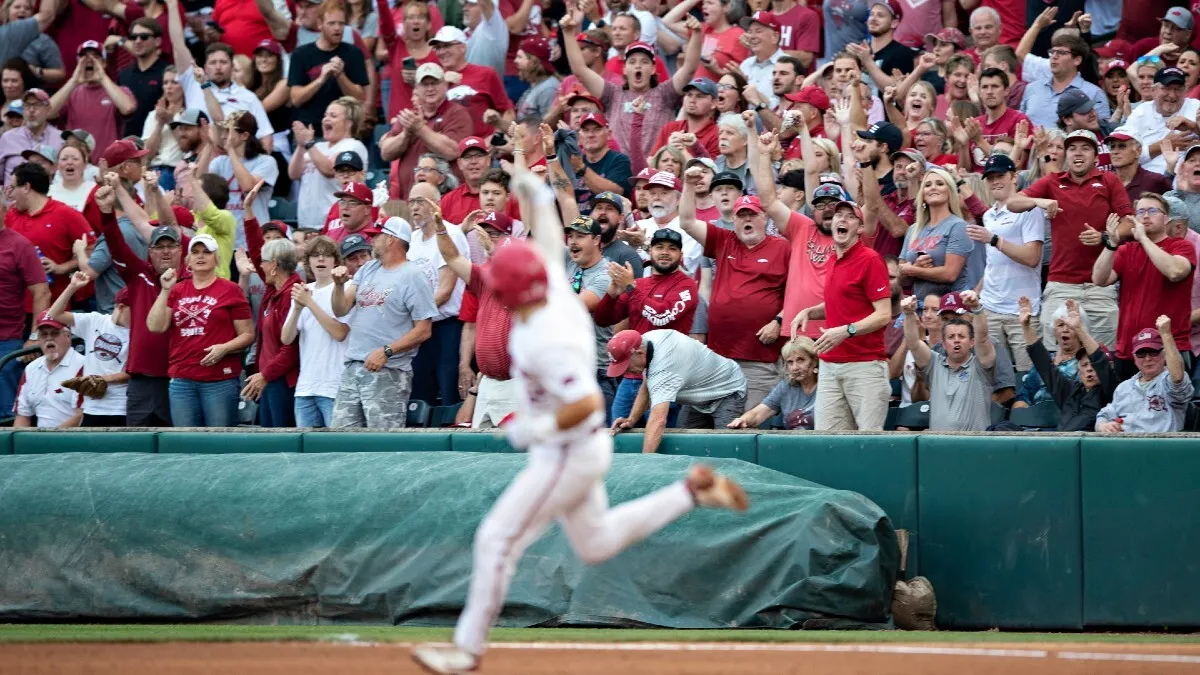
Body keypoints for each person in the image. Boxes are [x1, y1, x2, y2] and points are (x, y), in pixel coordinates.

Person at [410, 181, 747, 673]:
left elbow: (588, 402)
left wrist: (535, 429)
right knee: (597, 543)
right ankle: (689, 493)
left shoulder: (548, 332)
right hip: (577, 449)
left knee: (496, 538)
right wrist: (534, 191)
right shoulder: (548, 298)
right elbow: (548, 243)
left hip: (565, 449)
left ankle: (466, 650)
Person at [1009, 129, 1134, 350]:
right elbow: (1013, 203)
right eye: (1073, 148)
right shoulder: (1053, 181)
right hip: (1061, 285)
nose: (1078, 153)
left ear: (1096, 157)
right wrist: (1040, 201)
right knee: (1056, 356)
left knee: (1106, 358)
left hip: (1100, 286)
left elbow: (1130, 223)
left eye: (1085, 148)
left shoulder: (1109, 181)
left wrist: (1104, 236)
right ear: (1066, 155)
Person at [560, 9, 704, 168]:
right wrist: (568, 33)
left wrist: (696, 33)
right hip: (619, 171)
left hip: (654, 171)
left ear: (653, 68)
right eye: (632, 61)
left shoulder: (665, 93)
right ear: (624, 69)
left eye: (644, 62)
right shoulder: (613, 94)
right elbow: (580, 71)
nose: (638, 65)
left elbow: (689, 68)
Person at [794, 201, 892, 431]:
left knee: (868, 444)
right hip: (830, 365)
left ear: (860, 228)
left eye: (850, 217)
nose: (841, 220)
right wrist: (810, 311)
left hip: (865, 365)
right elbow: (839, 304)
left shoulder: (870, 259)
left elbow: (884, 314)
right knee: (827, 443)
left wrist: (847, 331)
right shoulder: (832, 259)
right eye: (839, 216)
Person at [330, 217, 436, 428]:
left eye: (376, 236)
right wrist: (339, 286)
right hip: (353, 366)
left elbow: (424, 330)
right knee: (340, 441)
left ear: (391, 239)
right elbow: (340, 309)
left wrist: (386, 351)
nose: (372, 241)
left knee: (382, 444)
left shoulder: (413, 275)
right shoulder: (368, 269)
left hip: (388, 370)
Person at [146, 233, 254, 427]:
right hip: (182, 379)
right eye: (195, 252)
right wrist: (165, 290)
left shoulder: (230, 290)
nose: (200, 256)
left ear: (217, 259)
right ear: (187, 260)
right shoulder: (177, 289)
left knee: (220, 443)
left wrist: (224, 348)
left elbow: (247, 334)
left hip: (219, 379)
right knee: (185, 444)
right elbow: (155, 326)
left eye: (207, 252)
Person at [593, 227, 699, 423]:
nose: (665, 252)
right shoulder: (640, 285)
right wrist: (611, 294)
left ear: (681, 255)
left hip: (666, 378)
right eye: (659, 247)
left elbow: (661, 316)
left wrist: (630, 287)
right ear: (650, 251)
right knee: (618, 437)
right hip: (632, 376)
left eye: (672, 248)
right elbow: (603, 319)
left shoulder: (687, 286)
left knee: (658, 441)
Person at [1093, 192, 1196, 381]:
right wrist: (1111, 245)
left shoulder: (1181, 246)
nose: (1145, 216)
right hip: (1129, 351)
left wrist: (1144, 239)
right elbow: (1099, 279)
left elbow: (1174, 272)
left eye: (1152, 211)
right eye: (1140, 211)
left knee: (1170, 408)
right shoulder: (1126, 250)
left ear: (1166, 218)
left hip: (1168, 349)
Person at [608, 326, 749, 447]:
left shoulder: (664, 366)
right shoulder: (646, 340)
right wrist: (631, 419)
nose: (625, 372)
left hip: (728, 391)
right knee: (685, 444)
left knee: (727, 447)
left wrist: (645, 464)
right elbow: (647, 385)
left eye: (626, 365)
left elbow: (658, 421)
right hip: (698, 395)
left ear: (640, 353)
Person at [967, 154, 1045, 372]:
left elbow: (1032, 257)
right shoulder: (989, 216)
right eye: (990, 178)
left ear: (1015, 177)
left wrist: (994, 239)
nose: (995, 182)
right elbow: (994, 263)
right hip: (990, 307)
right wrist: (977, 293)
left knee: (1027, 376)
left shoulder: (1030, 209)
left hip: (1022, 310)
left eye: (1000, 175)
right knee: (992, 377)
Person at [168, 0, 274, 151]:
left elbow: (266, 136)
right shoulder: (193, 81)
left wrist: (258, 167)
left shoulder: (248, 97)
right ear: (204, 67)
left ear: (232, 67)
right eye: (213, 63)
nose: (218, 67)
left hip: (233, 162)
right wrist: (172, 5)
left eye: (223, 62)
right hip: (198, 160)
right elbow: (178, 44)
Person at [407, 185, 470, 405]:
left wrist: (413, 316)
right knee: (420, 396)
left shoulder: (451, 234)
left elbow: (445, 291)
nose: (415, 207)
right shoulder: (412, 239)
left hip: (447, 327)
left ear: (437, 204)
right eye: (411, 202)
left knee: (449, 395)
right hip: (419, 328)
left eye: (421, 201)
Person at [280, 235, 351, 427]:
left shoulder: (345, 288)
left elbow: (340, 333)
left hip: (334, 387)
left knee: (338, 452)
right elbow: (286, 339)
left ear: (335, 261)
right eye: (315, 255)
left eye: (326, 255)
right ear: (308, 262)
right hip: (305, 389)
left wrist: (309, 303)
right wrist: (297, 308)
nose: (321, 259)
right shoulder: (304, 291)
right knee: (306, 455)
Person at [902, 289, 997, 431]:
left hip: (975, 446)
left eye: (961, 336)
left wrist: (977, 308)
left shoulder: (981, 365)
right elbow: (913, 343)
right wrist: (909, 314)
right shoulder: (934, 364)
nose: (957, 340)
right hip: (940, 446)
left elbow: (982, 338)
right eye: (951, 337)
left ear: (971, 342)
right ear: (944, 344)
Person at [45, 271, 130, 426]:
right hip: (92, 406)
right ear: (121, 307)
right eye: (136, 310)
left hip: (122, 407)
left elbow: (136, 371)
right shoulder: (95, 321)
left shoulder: (140, 332)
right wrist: (72, 287)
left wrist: (103, 379)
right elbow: (55, 314)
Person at [5, 162, 94, 310]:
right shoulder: (10, 215)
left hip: (53, 310)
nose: (11, 194)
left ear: (26, 187)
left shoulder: (66, 214)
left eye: (14, 188)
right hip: (13, 309)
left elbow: (92, 250)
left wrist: (61, 268)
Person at [1018, 296, 1115, 431]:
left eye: (1093, 365)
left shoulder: (1110, 392)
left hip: (1084, 445)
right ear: (1079, 368)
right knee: (1000, 427)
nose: (1089, 369)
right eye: (1084, 365)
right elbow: (1045, 366)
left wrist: (1079, 328)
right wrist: (1026, 326)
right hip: (1057, 443)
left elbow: (1100, 362)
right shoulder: (1071, 391)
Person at [381, 62, 472, 200]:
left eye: (435, 83)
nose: (430, 88)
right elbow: (386, 153)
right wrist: (406, 134)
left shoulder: (457, 113)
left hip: (445, 199)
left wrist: (420, 129)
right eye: (425, 84)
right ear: (416, 89)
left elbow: (453, 151)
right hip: (409, 200)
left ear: (445, 85)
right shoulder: (409, 117)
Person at [240, 238, 303, 428]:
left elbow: (290, 350)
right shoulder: (273, 290)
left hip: (281, 383)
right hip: (268, 380)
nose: (260, 266)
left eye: (264, 262)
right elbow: (259, 256)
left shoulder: (291, 294)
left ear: (274, 264)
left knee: (280, 445)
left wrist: (264, 375)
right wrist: (248, 212)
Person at [1095, 316, 1194, 432]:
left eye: (1153, 352)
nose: (1147, 359)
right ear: (1134, 357)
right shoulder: (1124, 387)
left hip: (1161, 445)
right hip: (1125, 445)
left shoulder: (1168, 380)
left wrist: (1166, 335)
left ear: (1164, 354)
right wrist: (1103, 425)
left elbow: (1177, 378)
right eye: (1141, 354)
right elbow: (1104, 415)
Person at [287, 0, 369, 132]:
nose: (337, 28)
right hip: (310, 131)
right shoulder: (301, 54)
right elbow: (296, 99)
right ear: (320, 24)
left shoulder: (353, 53)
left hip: (343, 133)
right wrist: (320, 79)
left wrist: (340, 76)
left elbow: (359, 98)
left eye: (341, 23)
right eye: (331, 23)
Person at [290, 96, 368, 232]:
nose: (326, 119)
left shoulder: (353, 146)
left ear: (349, 123)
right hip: (305, 224)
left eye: (333, 116)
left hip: (334, 224)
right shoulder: (317, 146)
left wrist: (309, 143)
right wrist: (301, 145)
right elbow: (293, 174)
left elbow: (329, 169)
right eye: (325, 115)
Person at [898, 166, 973, 300]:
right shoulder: (913, 230)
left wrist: (914, 270)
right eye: (927, 185)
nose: (933, 187)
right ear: (923, 195)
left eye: (940, 184)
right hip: (920, 307)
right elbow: (902, 279)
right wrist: (915, 266)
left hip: (950, 308)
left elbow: (950, 274)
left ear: (950, 192)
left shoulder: (958, 226)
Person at [206, 112, 278, 249]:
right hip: (225, 241)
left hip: (254, 241)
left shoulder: (266, 162)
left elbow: (248, 186)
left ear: (245, 135)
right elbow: (204, 189)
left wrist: (231, 150)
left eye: (228, 131)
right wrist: (209, 145)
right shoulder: (219, 162)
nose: (223, 136)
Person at [1018, 25, 1109, 130]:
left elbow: (1102, 133)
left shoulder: (1094, 93)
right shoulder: (1032, 88)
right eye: (1052, 52)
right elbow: (1021, 125)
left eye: (1061, 52)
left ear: (1077, 60)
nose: (1054, 56)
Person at [430, 25, 513, 139]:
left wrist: (495, 138)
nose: (442, 52)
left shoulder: (486, 74)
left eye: (447, 46)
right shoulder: (432, 79)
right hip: (447, 148)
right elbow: (426, 114)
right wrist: (442, 82)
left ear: (463, 47)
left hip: (481, 149)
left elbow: (507, 111)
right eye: (438, 48)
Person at [727, 335, 818, 429]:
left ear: (814, 361)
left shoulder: (827, 385)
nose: (795, 368)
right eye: (790, 362)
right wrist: (743, 420)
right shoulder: (786, 386)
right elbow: (758, 413)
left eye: (801, 360)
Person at [12, 312, 83, 428]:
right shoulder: (31, 368)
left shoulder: (83, 365)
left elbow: (82, 415)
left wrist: (50, 439)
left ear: (68, 337)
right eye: (44, 335)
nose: (49, 338)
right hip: (42, 439)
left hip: (76, 439)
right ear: (39, 339)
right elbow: (22, 415)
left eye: (54, 333)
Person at [1125, 67, 1200, 175]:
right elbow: (1126, 155)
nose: (1172, 95)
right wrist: (1163, 145)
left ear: (1185, 91)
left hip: (1189, 180)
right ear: (1153, 90)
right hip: (1149, 182)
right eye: (1166, 88)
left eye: (1178, 89)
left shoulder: (1196, 107)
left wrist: (1194, 128)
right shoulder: (1140, 113)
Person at [0, 88, 60, 183]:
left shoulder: (60, 139)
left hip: (49, 196)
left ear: (48, 109)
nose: (31, 110)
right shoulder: (7, 138)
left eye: (37, 105)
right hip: (12, 197)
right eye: (27, 105)